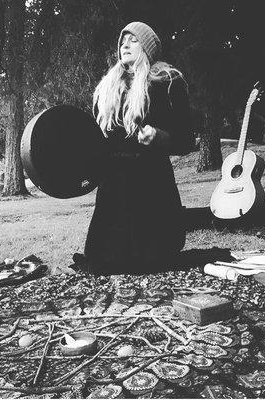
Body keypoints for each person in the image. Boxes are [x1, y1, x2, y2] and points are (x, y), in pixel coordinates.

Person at [81, 21, 194, 274]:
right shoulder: (108, 89)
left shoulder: (168, 83)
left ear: (147, 48)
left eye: (133, 40)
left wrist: (159, 136)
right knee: (106, 261)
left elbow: (186, 139)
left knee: (152, 261)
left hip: (151, 184)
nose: (125, 45)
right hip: (114, 187)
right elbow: (100, 140)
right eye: (122, 41)